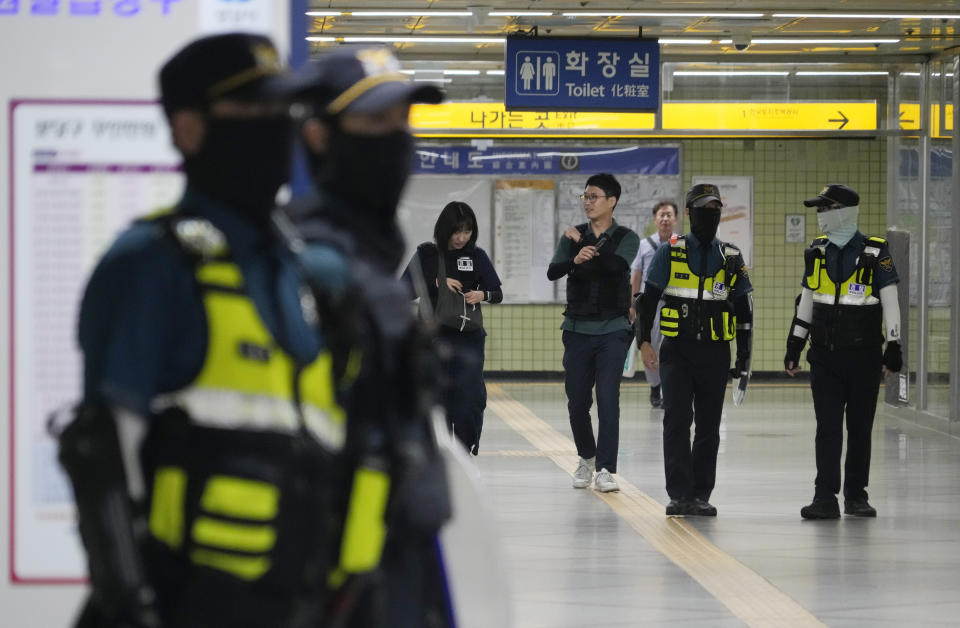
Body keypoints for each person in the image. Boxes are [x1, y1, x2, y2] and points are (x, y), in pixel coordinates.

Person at [53, 33, 381, 628]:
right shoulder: (153, 265)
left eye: (283, 108)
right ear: (188, 128)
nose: (275, 125)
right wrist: (131, 604)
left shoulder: (307, 273)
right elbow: (102, 459)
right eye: (253, 110)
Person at [283, 46, 458, 626]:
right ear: (318, 135)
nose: (396, 139)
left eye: (402, 122)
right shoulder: (309, 262)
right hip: (333, 573)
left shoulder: (371, 258)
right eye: (374, 123)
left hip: (391, 550)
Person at [784, 184, 902, 520]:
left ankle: (856, 496)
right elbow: (806, 301)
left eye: (826, 208)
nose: (821, 216)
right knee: (827, 429)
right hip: (824, 357)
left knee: (860, 429)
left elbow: (890, 300)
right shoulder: (817, 252)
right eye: (818, 210)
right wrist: (795, 344)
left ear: (846, 211)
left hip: (864, 358)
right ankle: (824, 497)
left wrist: (894, 345)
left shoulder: (875, 252)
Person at [636, 183, 753, 517]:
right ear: (688, 213)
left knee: (709, 425)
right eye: (702, 209)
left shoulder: (730, 257)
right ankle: (678, 494)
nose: (709, 215)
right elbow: (648, 300)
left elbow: (744, 312)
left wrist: (743, 358)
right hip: (677, 351)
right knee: (676, 420)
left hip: (715, 354)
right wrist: (644, 341)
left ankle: (701, 493)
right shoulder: (670, 251)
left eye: (715, 209)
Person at [547, 173, 640, 493]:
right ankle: (586, 458)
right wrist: (574, 257)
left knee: (607, 399)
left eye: (593, 197)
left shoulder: (627, 236)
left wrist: (582, 246)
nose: (587, 202)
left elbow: (615, 267)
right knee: (576, 402)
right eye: (584, 197)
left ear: (611, 201)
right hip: (576, 329)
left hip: (613, 329)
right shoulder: (573, 237)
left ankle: (605, 469)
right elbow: (553, 271)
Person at [401, 201, 503, 455]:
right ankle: (440, 453)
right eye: (457, 231)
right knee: (438, 398)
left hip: (469, 337)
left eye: (467, 232)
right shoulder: (427, 255)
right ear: (444, 229)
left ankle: (465, 449)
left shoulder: (477, 256)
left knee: (470, 399)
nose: (461, 238)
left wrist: (483, 295)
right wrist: (436, 282)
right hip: (435, 337)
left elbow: (497, 293)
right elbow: (405, 290)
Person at [629, 200, 679, 408]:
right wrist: (633, 305)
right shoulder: (644, 245)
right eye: (662, 215)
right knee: (649, 345)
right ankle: (654, 387)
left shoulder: (682, 244)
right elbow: (637, 275)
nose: (665, 219)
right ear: (655, 219)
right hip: (652, 304)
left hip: (676, 303)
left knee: (673, 348)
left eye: (669, 215)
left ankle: (670, 388)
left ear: (676, 219)